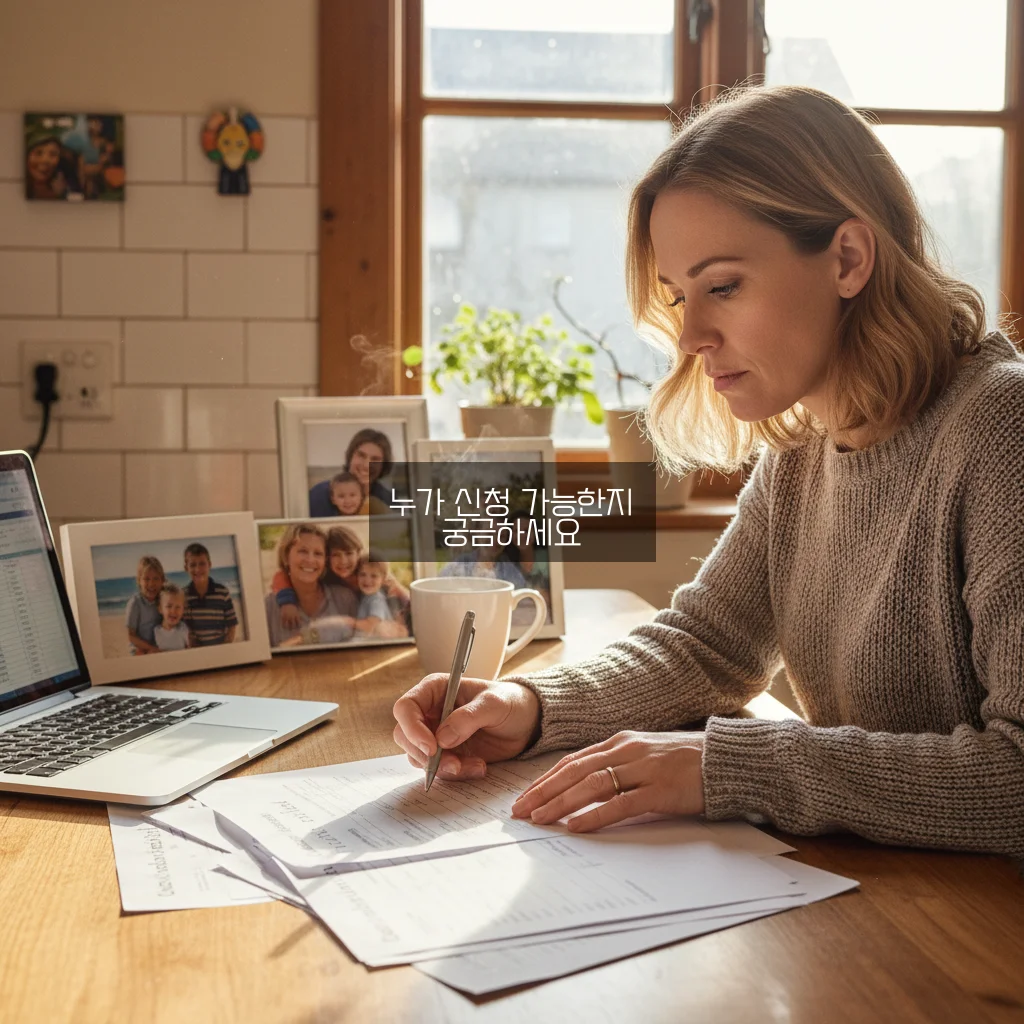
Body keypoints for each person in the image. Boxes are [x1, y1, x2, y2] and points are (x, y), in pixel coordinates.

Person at [393, 84, 1024, 860]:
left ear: (848, 260)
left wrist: (728, 766)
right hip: (883, 899)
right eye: (678, 296)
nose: (690, 335)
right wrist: (528, 707)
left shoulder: (1003, 428)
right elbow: (708, 646)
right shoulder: (802, 447)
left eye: (722, 286)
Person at [264, 523, 358, 647]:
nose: (310, 560)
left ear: (325, 561)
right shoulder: (268, 607)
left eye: (318, 553)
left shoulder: (345, 598)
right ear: (286, 556)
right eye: (303, 551)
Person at [308, 428, 397, 516]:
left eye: (375, 459)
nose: (366, 465)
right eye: (361, 456)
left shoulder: (389, 500)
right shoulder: (319, 495)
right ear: (350, 456)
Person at [182, 543, 238, 646]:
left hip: (220, 646)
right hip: (196, 649)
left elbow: (232, 625)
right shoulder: (183, 596)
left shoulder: (222, 592)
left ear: (209, 565)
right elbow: (183, 628)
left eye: (202, 564)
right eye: (193, 565)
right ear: (186, 568)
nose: (198, 569)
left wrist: (225, 647)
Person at [125, 555, 164, 655]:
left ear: (162, 580)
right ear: (139, 581)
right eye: (146, 579)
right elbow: (131, 636)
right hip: (139, 647)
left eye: (156, 578)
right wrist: (151, 648)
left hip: (158, 645)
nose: (151, 584)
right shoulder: (135, 603)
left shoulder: (163, 599)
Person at [352, 553, 396, 637]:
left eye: (374, 576)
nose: (367, 580)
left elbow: (370, 625)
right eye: (362, 574)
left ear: (383, 579)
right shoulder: (366, 596)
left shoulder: (376, 600)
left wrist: (348, 622)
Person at [153, 584, 192, 652]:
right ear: (160, 609)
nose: (173, 611)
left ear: (183, 610)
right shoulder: (156, 631)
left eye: (178, 607)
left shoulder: (183, 629)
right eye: (169, 606)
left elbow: (189, 650)